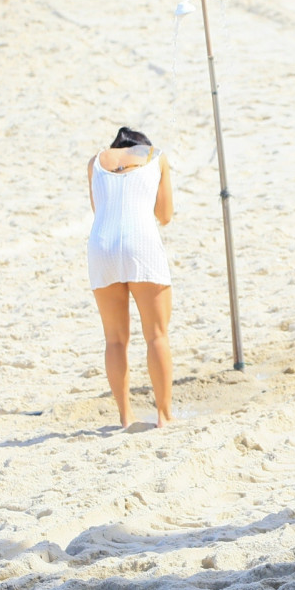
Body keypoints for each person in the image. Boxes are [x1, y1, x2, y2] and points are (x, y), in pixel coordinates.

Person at [86, 126, 175, 428]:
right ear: (142, 146)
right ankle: (164, 415)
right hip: (141, 242)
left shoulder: (96, 162)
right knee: (156, 335)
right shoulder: (156, 156)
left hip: (102, 244)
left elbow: (99, 208)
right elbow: (165, 215)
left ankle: (125, 417)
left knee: (114, 340)